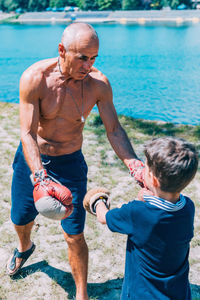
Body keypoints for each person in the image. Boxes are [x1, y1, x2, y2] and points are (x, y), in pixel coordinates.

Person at [6, 22, 142, 300]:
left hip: (70, 163)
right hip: (32, 160)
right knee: (20, 218)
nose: (88, 65)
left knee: (75, 233)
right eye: (82, 57)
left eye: (93, 58)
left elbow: (114, 129)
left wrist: (133, 163)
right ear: (62, 50)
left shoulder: (98, 84)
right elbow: (27, 133)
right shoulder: (35, 78)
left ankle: (81, 295)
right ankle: (24, 247)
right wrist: (39, 176)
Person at [93, 137, 198, 300]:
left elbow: (104, 217)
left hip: (141, 294)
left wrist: (97, 200)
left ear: (154, 179)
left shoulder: (136, 212)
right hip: (178, 293)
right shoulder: (188, 207)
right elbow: (160, 208)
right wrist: (149, 196)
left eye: (146, 166)